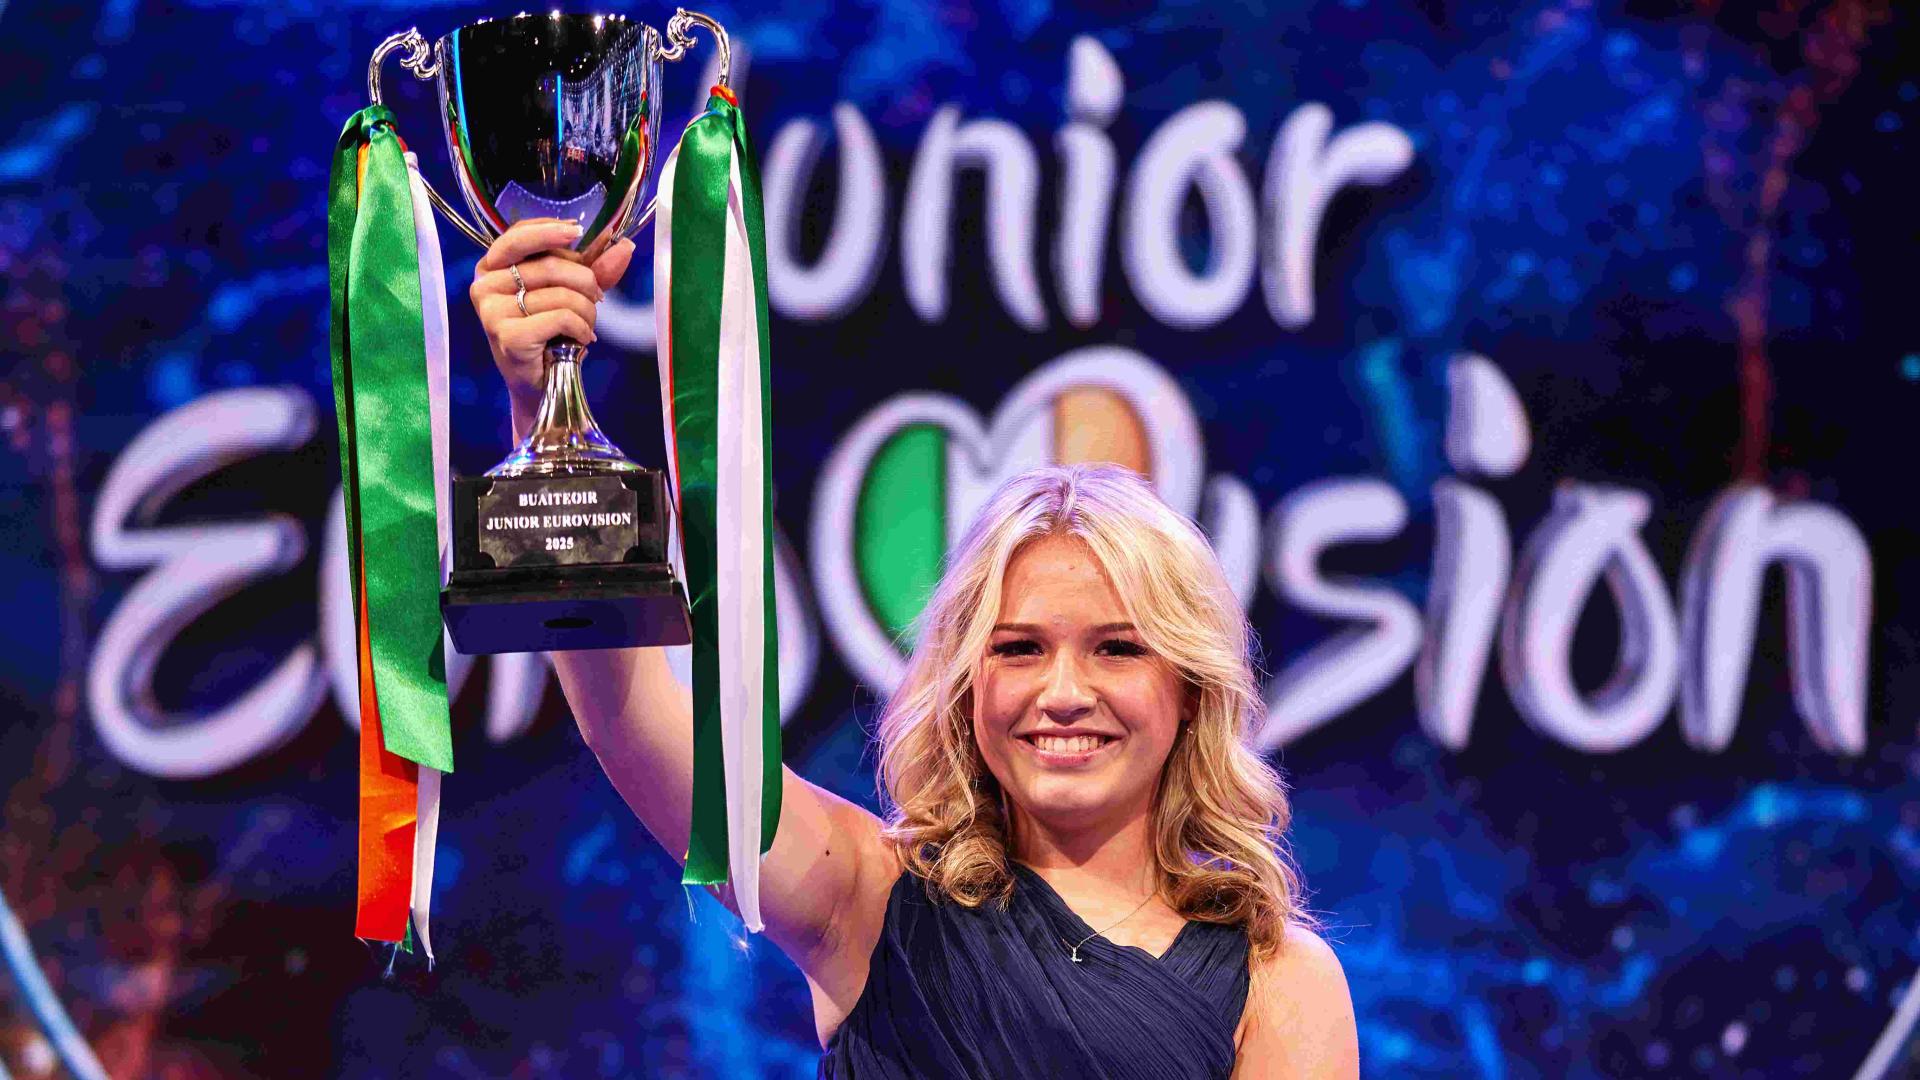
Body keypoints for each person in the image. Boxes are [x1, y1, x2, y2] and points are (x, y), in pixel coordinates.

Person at [469, 220, 1360, 1079]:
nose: (1063, 692)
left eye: (1117, 650)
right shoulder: (866, 899)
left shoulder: (1281, 982)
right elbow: (634, 726)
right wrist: (543, 412)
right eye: (1018, 649)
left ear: (1191, 688)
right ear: (965, 686)